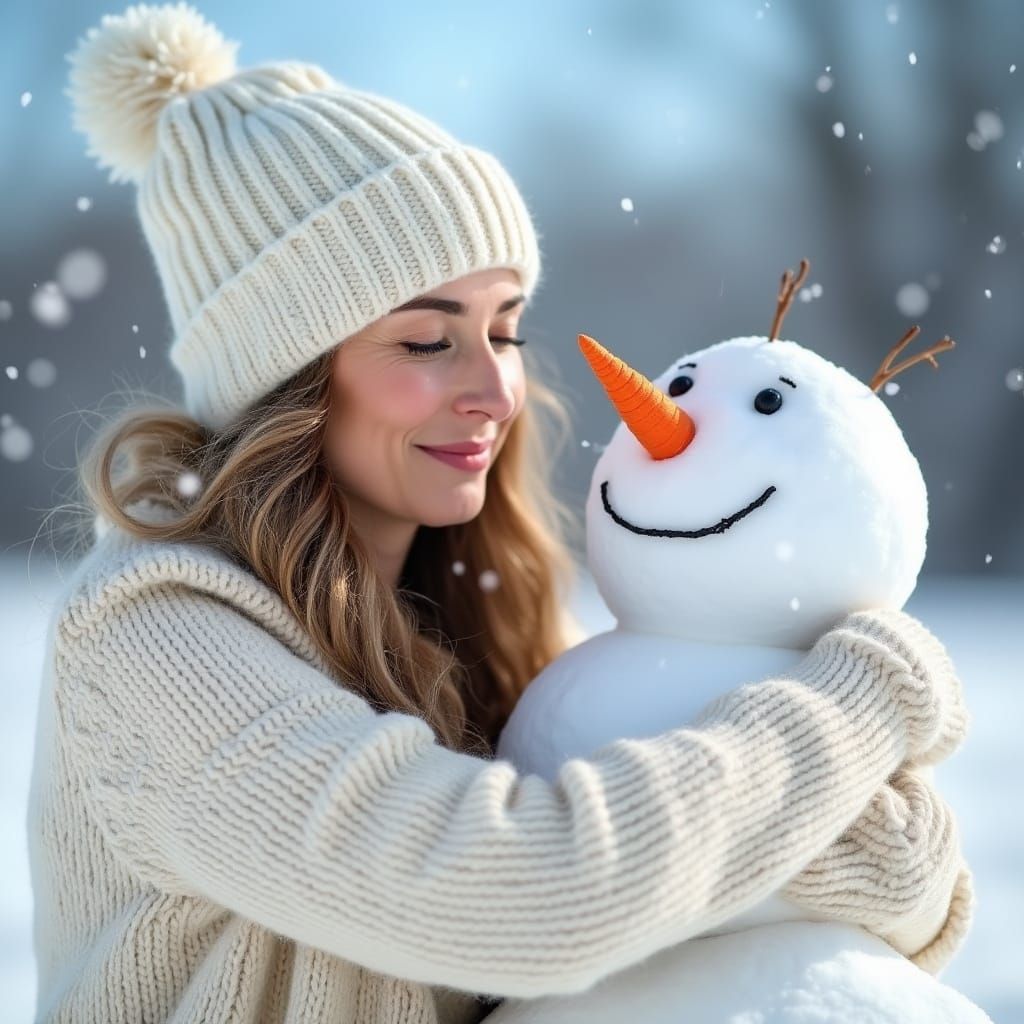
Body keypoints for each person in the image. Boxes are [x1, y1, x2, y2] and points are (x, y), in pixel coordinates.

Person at [28, 4, 972, 1022]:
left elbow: (924, 911)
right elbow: (541, 893)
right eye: (427, 341)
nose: (493, 388)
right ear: (290, 377)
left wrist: (784, 843)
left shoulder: (481, 619)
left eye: (505, 329)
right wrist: (854, 703)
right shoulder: (153, 641)